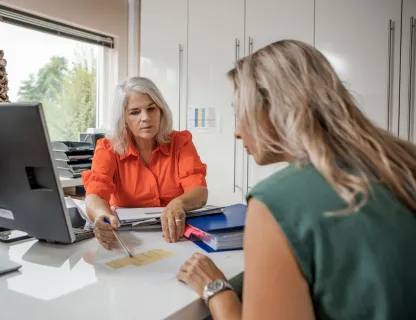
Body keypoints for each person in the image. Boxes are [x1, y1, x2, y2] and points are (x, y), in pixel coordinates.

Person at [177, 40, 416, 319]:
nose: (237, 131)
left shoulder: (276, 201)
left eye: (239, 111)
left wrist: (215, 289)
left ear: (274, 107)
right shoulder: (400, 164)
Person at [82, 77, 208, 248]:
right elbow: (95, 194)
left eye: (151, 109)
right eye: (135, 112)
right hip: (129, 240)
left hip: (175, 237)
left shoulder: (180, 142)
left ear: (161, 111)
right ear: (124, 118)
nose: (146, 118)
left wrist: (178, 204)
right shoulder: (108, 148)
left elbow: (199, 191)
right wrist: (102, 217)